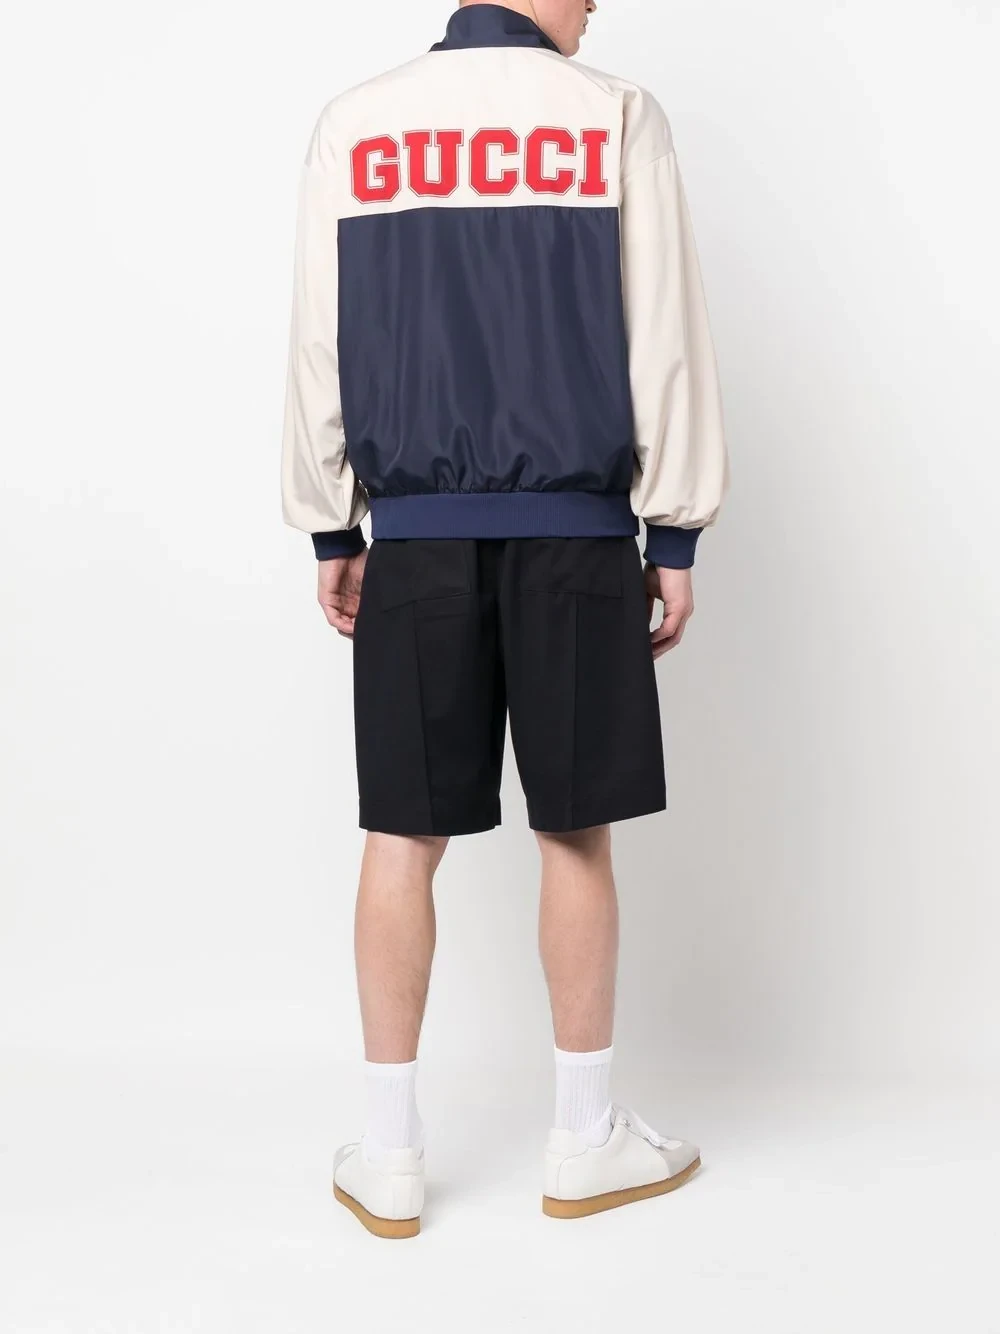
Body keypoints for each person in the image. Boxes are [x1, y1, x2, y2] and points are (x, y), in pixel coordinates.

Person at [280, 0, 729, 1239]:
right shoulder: (615, 115)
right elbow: (664, 335)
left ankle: (388, 1153)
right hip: (576, 535)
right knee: (574, 831)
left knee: (400, 834)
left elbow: (320, 345)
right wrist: (673, 532)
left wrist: (331, 525)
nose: (601, 5)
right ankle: (583, 1139)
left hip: (414, 538)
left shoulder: (358, 123)